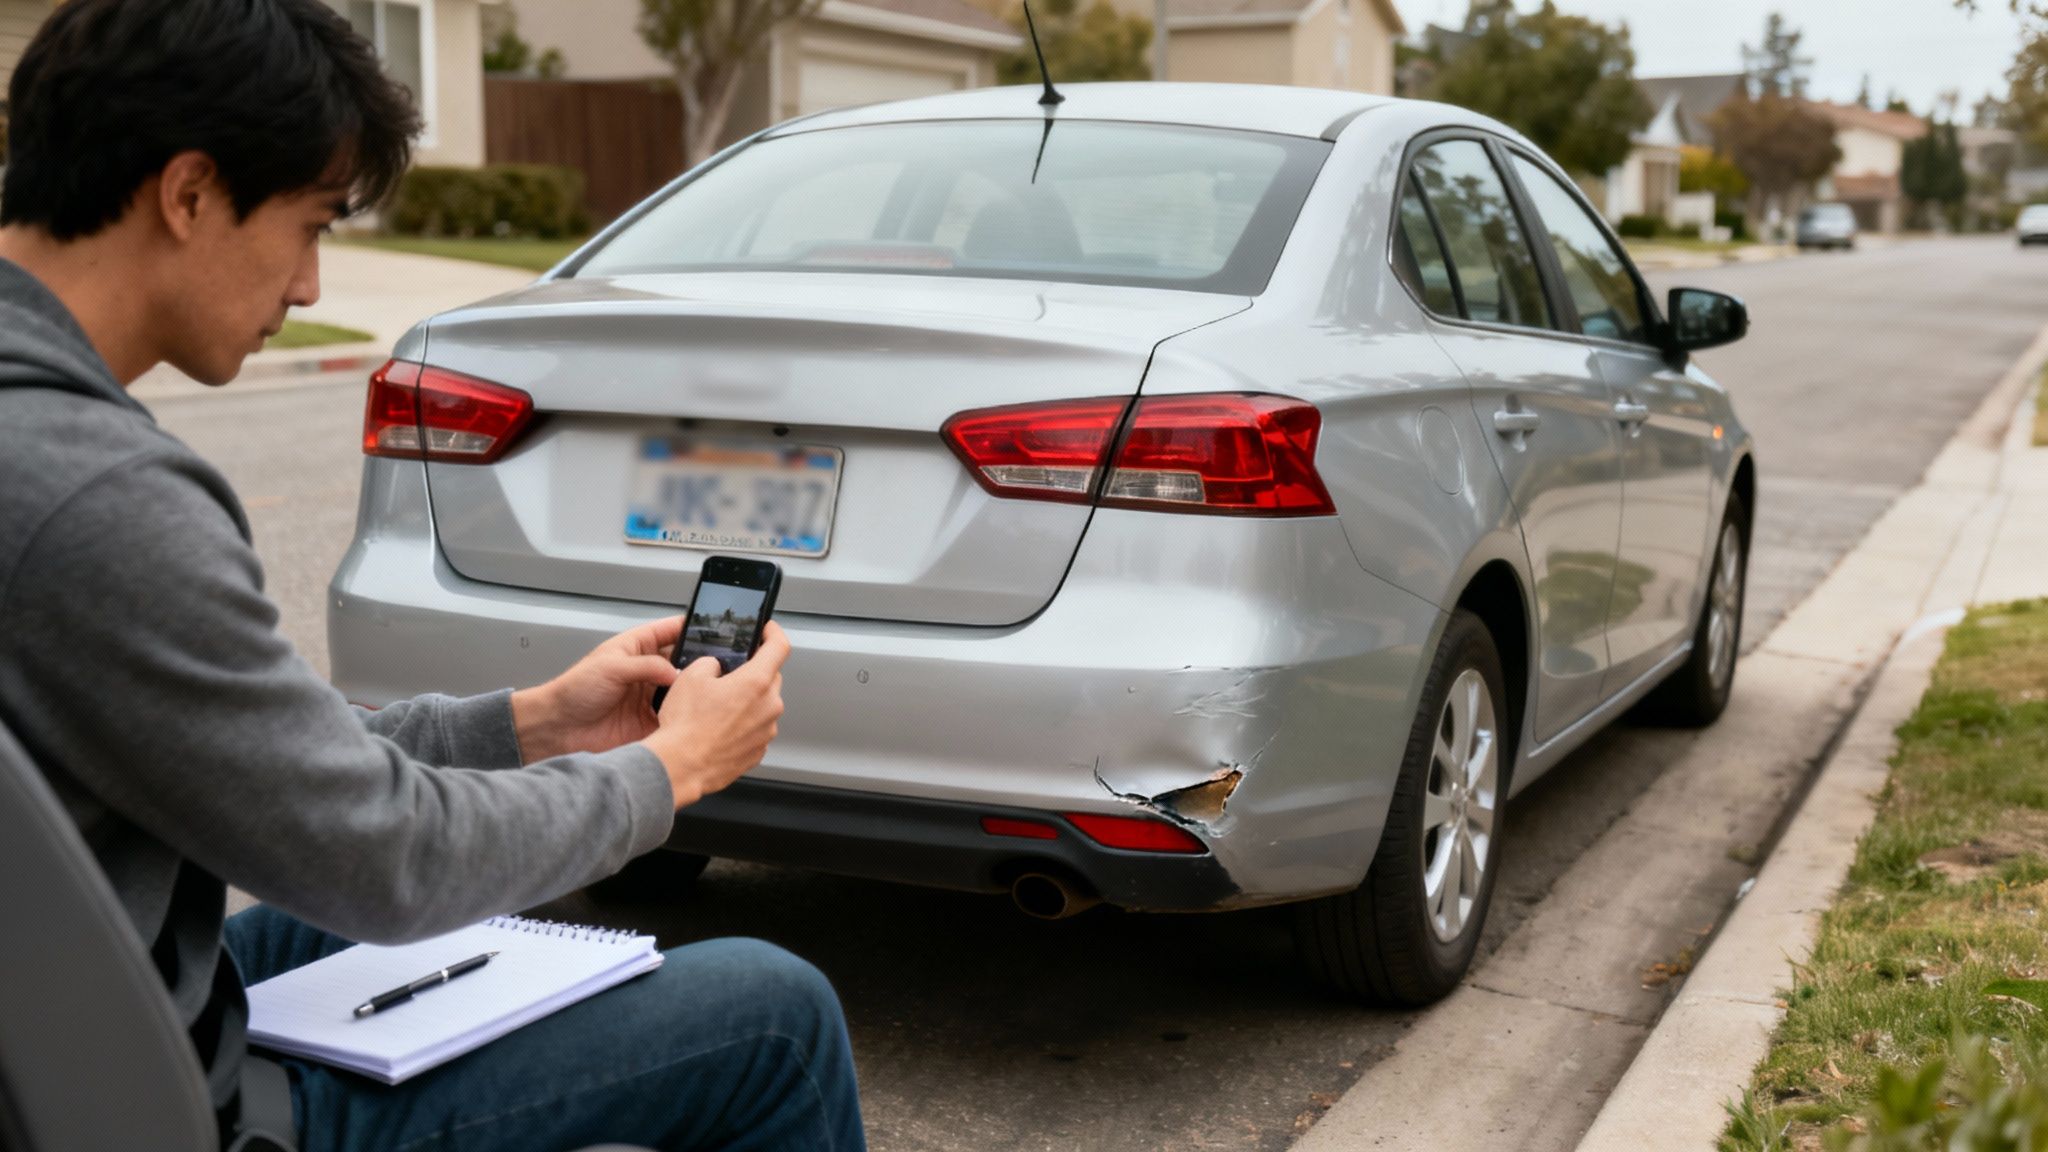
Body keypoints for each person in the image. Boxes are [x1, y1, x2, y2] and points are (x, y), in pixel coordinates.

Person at [0, 1, 865, 1148]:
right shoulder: (101, 501)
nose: (309, 287)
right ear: (191, 192)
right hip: (139, 1099)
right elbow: (386, 861)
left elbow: (272, 771)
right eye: (310, 225)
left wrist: (531, 722)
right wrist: (670, 771)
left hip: (67, 990)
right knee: (774, 1015)